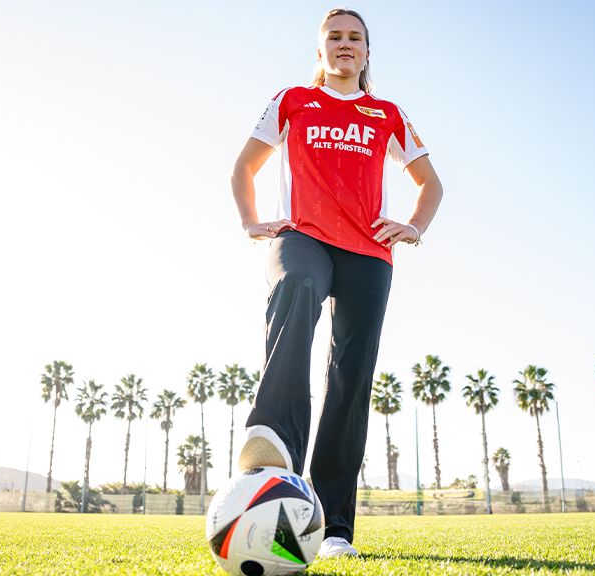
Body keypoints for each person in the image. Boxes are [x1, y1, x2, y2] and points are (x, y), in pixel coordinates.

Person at [230, 8, 443, 558]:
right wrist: (252, 222)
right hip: (302, 237)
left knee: (350, 376)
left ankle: (334, 529)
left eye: (355, 38)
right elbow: (243, 168)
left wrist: (413, 226)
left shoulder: (386, 114)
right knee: (296, 285)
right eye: (334, 37)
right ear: (319, 51)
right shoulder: (292, 102)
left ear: (367, 53)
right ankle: (273, 434)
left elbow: (431, 184)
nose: (345, 44)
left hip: (369, 253)